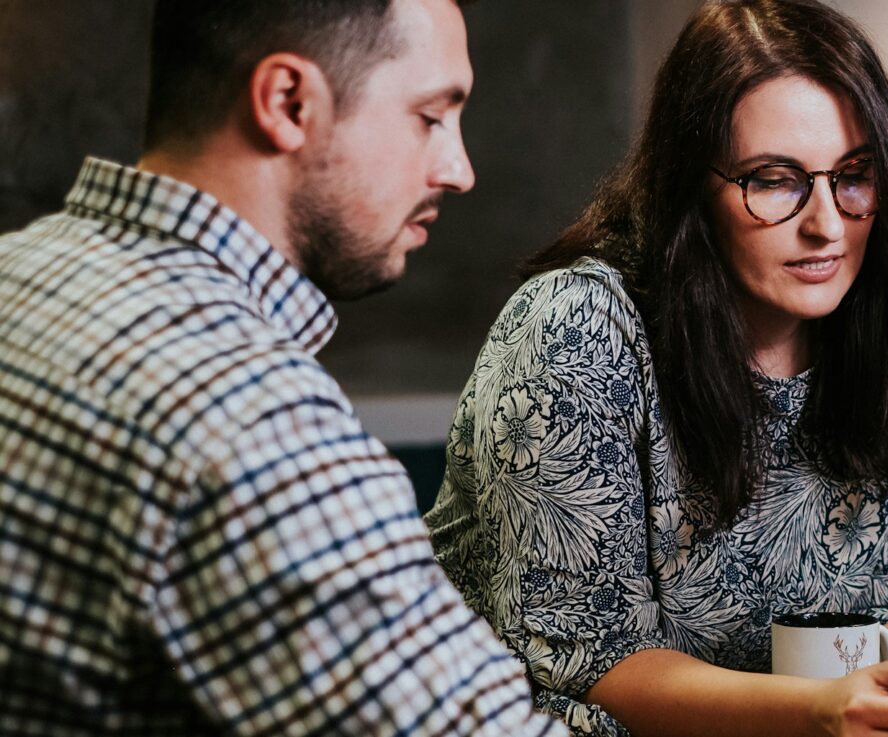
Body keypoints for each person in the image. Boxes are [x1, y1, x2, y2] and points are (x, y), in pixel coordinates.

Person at [425, 0, 888, 734]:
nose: (827, 223)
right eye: (774, 179)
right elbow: (594, 667)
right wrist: (816, 711)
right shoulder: (577, 329)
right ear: (689, 188)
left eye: (853, 174)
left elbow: (885, 620)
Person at [0, 0, 589, 734]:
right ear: (288, 102)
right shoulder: (256, 422)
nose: (459, 169)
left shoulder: (16, 272)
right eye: (430, 116)